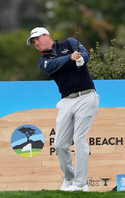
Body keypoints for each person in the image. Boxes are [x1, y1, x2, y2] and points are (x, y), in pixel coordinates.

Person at [28, 26, 99, 192]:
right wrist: (70, 57)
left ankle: (80, 184)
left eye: (37, 38)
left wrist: (81, 59)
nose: (36, 43)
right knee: (60, 144)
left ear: (47, 35)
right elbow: (55, 64)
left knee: (79, 140)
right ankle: (69, 178)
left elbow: (85, 54)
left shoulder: (70, 43)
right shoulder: (43, 61)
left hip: (87, 96)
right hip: (67, 101)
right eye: (33, 41)